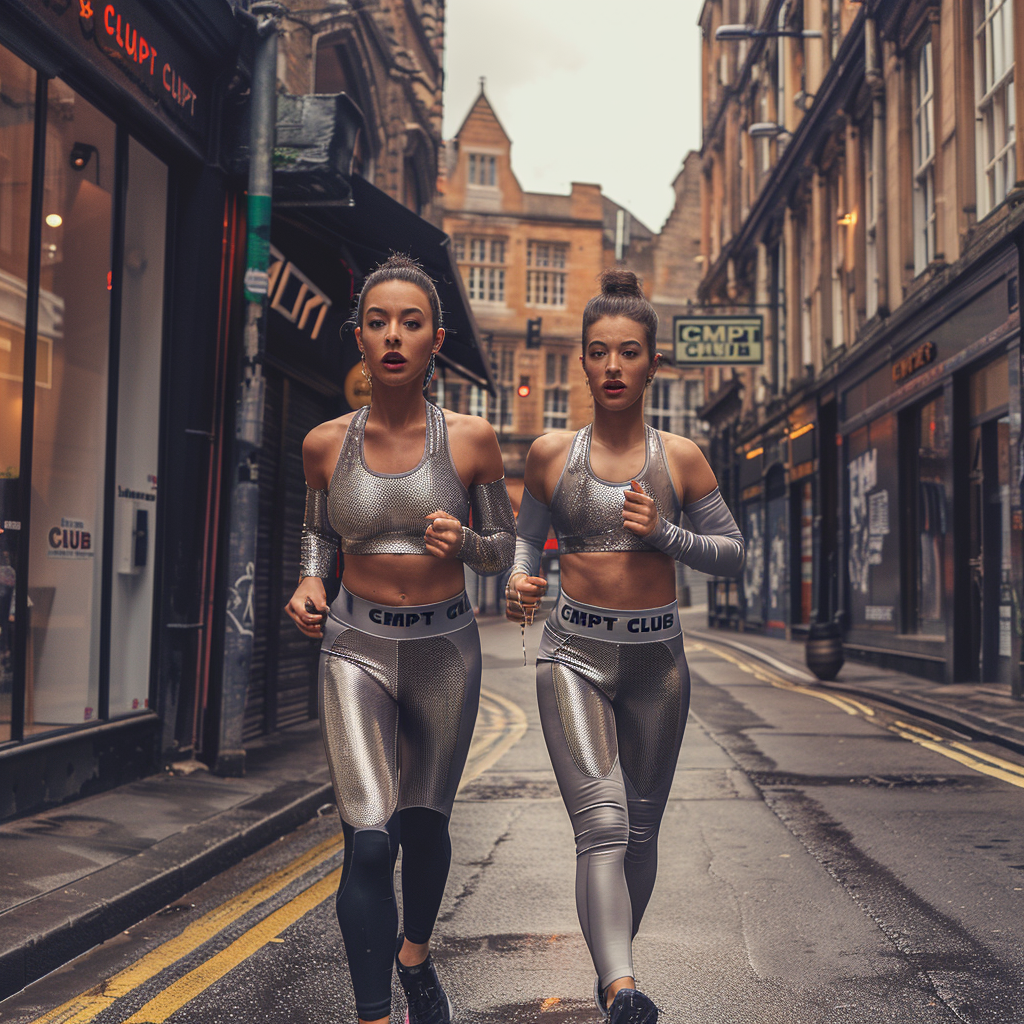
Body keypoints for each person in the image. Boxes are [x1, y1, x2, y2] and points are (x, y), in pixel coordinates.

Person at [506, 270, 744, 1024]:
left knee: (641, 829)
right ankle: (621, 987)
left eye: (630, 352)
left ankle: (617, 978)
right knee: (603, 823)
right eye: (600, 352)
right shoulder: (550, 454)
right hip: (572, 656)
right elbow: (524, 543)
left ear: (652, 364)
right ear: (582, 361)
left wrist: (663, 534)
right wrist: (520, 580)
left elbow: (734, 552)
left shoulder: (683, 458)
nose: (613, 366)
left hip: (658, 664)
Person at [286, 254, 515, 1024]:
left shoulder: (474, 442)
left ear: (434, 340)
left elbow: (503, 551)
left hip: (445, 649)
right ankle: (374, 1012)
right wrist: (312, 581)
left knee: (423, 825)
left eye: (410, 323)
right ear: (358, 337)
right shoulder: (324, 445)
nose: (393, 335)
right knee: (371, 837)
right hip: (353, 646)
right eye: (378, 321)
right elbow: (318, 541)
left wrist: (467, 548)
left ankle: (415, 954)